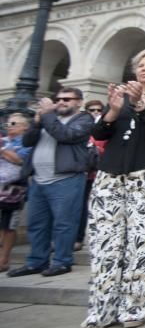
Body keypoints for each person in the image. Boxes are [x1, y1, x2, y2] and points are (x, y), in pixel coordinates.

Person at [81, 49, 145, 328]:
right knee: (105, 244)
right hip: (110, 174)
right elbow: (100, 134)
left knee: (139, 241)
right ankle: (101, 310)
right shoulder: (121, 99)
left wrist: (141, 106)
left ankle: (134, 307)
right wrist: (113, 111)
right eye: (140, 65)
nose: (144, 69)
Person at [8, 88, 92, 278]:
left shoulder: (83, 119)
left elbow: (65, 136)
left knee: (64, 223)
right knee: (37, 224)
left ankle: (62, 261)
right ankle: (36, 262)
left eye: (67, 99)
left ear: (79, 102)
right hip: (38, 179)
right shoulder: (47, 119)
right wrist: (37, 123)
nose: (61, 101)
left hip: (66, 179)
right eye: (58, 98)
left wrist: (47, 115)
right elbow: (27, 141)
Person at [0, 113, 32, 272]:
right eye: (8, 124)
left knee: (9, 225)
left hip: (14, 190)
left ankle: (4, 259)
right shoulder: (5, 140)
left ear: (24, 126)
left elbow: (20, 160)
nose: (9, 126)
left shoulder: (26, 142)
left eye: (14, 123)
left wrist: (2, 149)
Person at [77, 100, 106, 252]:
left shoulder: (104, 125)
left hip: (99, 172)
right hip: (84, 172)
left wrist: (95, 150)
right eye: (91, 109)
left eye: (98, 109)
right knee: (81, 206)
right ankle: (78, 237)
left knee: (95, 207)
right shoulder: (82, 125)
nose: (95, 112)